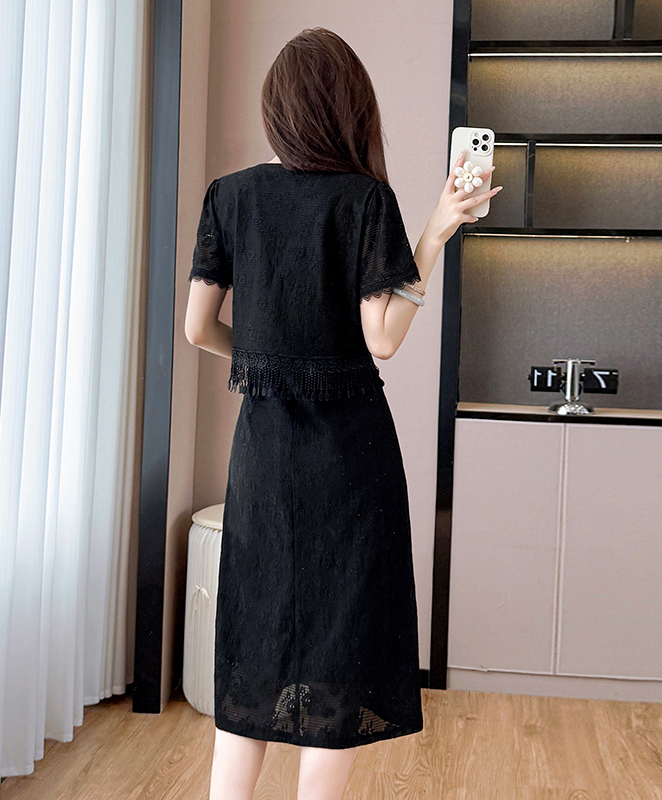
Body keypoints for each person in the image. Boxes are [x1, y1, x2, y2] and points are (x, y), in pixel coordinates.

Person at [184, 26, 502, 800]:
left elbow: (197, 329)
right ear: (352, 109)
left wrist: (267, 364)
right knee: (337, 653)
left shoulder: (230, 196)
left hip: (262, 458)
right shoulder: (365, 199)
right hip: (348, 464)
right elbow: (382, 338)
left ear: (277, 108)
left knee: (255, 645)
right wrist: (437, 230)